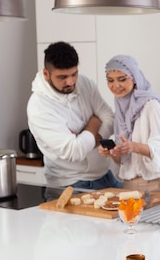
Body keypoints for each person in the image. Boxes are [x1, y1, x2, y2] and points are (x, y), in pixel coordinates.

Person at [27, 41, 120, 189]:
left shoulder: (84, 83)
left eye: (74, 74)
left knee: (138, 209)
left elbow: (110, 118)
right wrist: (94, 122)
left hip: (105, 175)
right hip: (70, 185)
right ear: (46, 74)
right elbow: (74, 151)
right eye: (62, 77)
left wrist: (85, 139)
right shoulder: (39, 107)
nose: (70, 82)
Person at [98, 55, 160, 195]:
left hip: (156, 185)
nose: (116, 86)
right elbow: (124, 161)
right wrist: (113, 152)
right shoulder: (120, 111)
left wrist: (135, 147)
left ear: (134, 78)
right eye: (110, 80)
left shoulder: (151, 106)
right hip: (130, 185)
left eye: (122, 79)